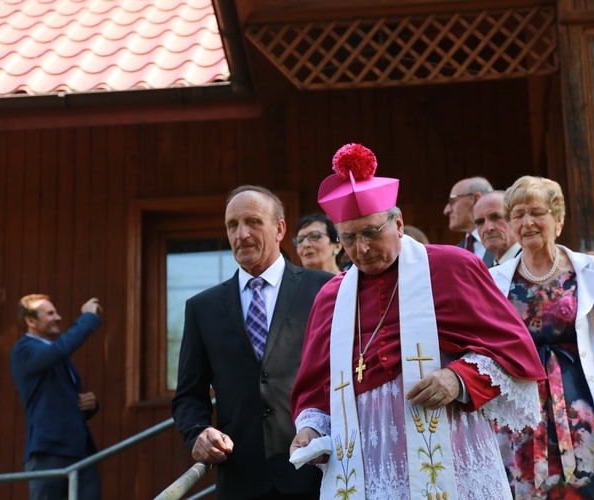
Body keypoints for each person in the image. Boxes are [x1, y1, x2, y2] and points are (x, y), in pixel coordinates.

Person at [289, 143, 546, 498]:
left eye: (370, 233)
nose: (361, 249)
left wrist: (459, 378)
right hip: (368, 461)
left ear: (398, 222)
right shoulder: (331, 297)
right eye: (348, 237)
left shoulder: (451, 267)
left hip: (449, 446)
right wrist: (311, 430)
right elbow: (315, 389)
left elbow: (513, 351)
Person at [489, 175, 594, 498]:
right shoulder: (494, 281)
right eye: (518, 215)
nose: (527, 223)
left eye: (536, 212)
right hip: (520, 425)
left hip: (586, 419)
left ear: (558, 220)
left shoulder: (591, 271)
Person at [172, 185, 333, 499]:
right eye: (232, 225)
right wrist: (198, 434)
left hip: (318, 472)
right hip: (241, 480)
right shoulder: (202, 307)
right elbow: (188, 396)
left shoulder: (324, 289)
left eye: (253, 222)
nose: (241, 233)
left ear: (280, 229)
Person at [10, 294, 103, 500]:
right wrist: (87, 317)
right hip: (48, 451)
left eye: (56, 312)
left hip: (81, 452)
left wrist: (89, 405)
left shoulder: (53, 353)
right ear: (30, 321)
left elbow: (58, 399)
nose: (58, 317)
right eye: (50, 313)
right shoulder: (24, 350)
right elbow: (59, 351)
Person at [444, 176, 495, 266]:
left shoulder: (509, 243)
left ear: (476, 199)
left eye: (452, 201)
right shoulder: (454, 253)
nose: (446, 210)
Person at [473, 190, 521, 265]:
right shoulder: (484, 269)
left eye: (496, 218)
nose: (488, 228)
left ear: (516, 217)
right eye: (480, 222)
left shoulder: (535, 266)